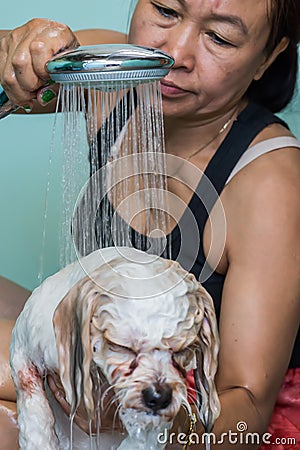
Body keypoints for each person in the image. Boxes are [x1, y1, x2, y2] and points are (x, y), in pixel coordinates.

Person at [0, 0, 300, 448]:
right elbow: (19, 74)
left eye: (219, 37)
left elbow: (248, 410)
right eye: (165, 11)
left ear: (268, 57)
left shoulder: (270, 183)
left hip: (194, 420)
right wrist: (13, 53)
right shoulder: (114, 73)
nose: (175, 53)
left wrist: (133, 407)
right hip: (104, 351)